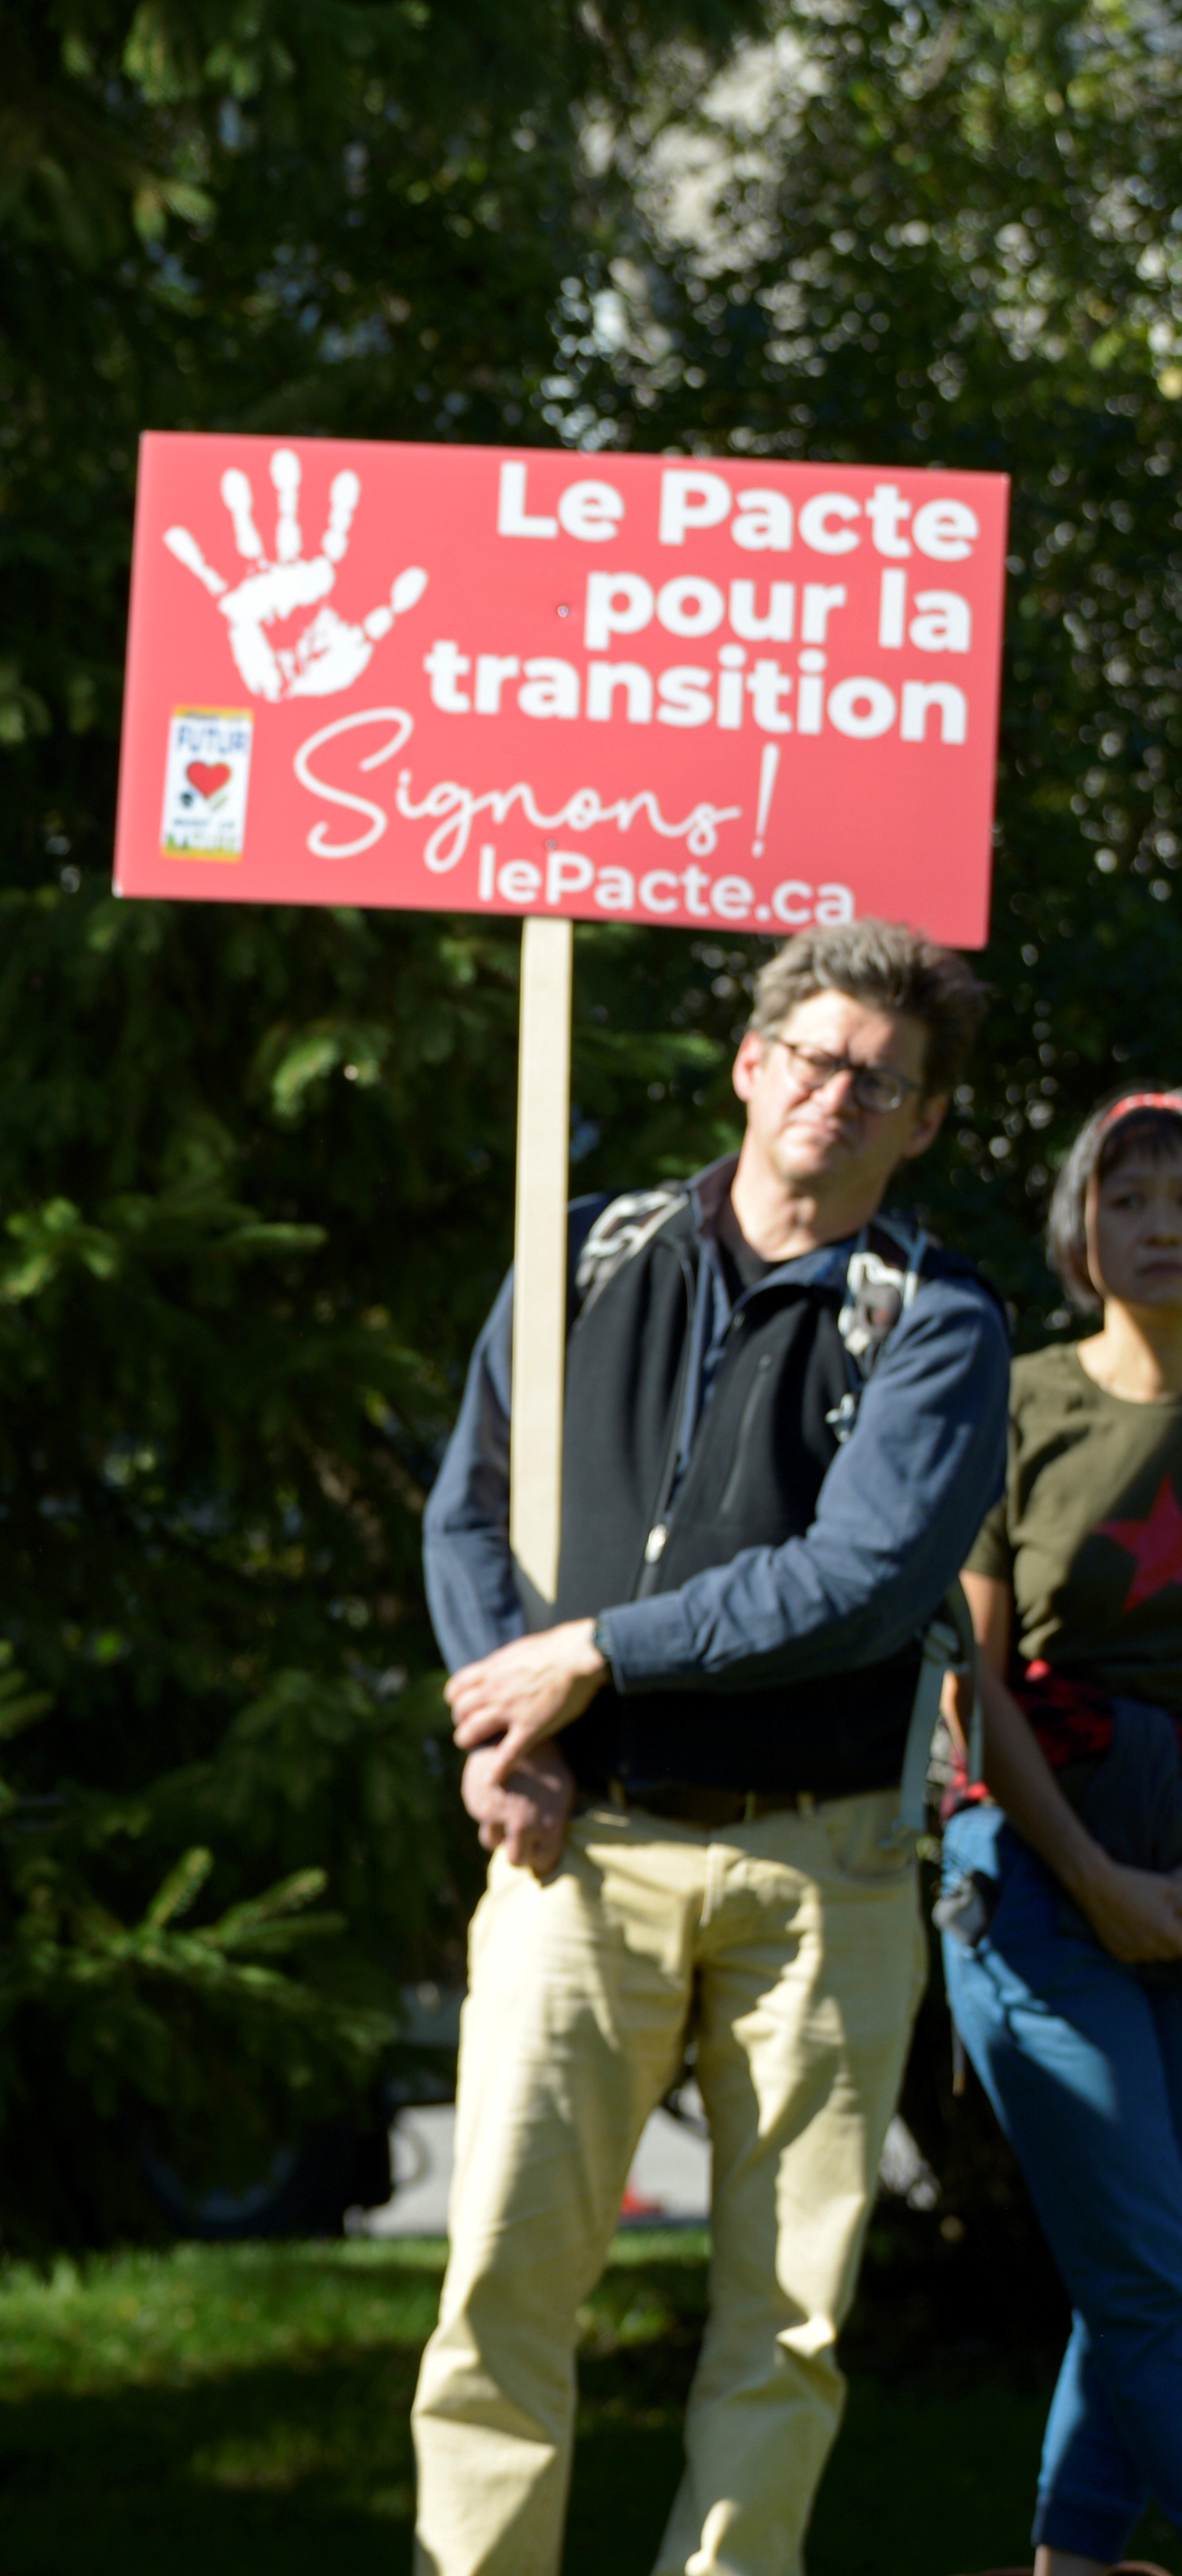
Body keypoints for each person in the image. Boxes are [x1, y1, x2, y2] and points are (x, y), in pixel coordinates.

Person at [414, 917, 1010, 2576]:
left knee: (785, 2324)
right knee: (497, 2294)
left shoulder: (941, 1318)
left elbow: (865, 1581)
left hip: (825, 1861)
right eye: (813, 1057)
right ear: (751, 1065)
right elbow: (470, 1510)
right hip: (573, 1844)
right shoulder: (583, 1253)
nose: (838, 1093)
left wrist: (592, 1652)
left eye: (883, 1080)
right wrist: (499, 1717)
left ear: (925, 1120)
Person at [939, 1086, 1182, 2576]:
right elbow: (969, 1673)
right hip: (1038, 1875)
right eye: (1131, 1196)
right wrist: (1096, 1878)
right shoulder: (1016, 1402)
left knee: (1143, 2279)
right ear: (1081, 1232)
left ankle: (1072, 2562)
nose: (1163, 1226)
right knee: (1152, 2273)